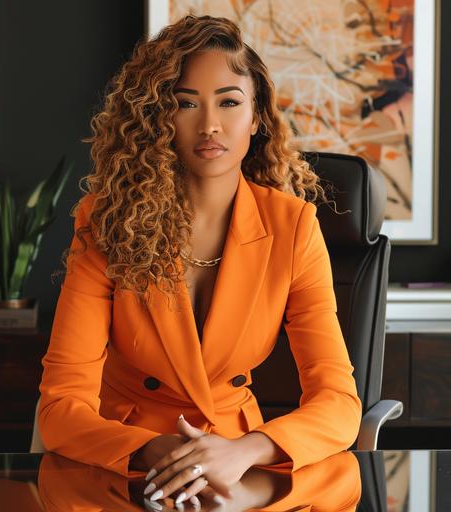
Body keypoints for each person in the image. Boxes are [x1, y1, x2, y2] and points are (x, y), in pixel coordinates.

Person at [38, 14, 362, 508]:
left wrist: (245, 452)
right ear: (157, 118)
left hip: (240, 471)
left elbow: (339, 403)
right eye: (185, 103)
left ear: (256, 118)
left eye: (229, 102)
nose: (209, 124)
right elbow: (61, 406)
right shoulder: (105, 221)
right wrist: (155, 449)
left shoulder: (293, 226)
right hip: (128, 468)